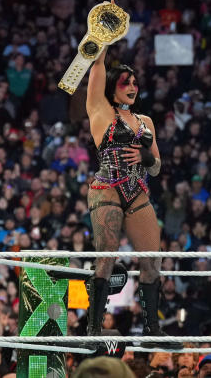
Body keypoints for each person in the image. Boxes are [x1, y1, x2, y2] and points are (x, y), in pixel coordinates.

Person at [84, 19, 164, 342]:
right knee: (106, 256)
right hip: (107, 188)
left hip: (138, 191)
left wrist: (146, 158)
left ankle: (152, 327)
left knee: (152, 261)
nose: (132, 87)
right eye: (125, 83)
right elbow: (98, 65)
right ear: (113, 88)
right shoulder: (101, 112)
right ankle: (93, 325)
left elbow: (157, 167)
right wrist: (104, 36)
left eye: (135, 83)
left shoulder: (146, 122)